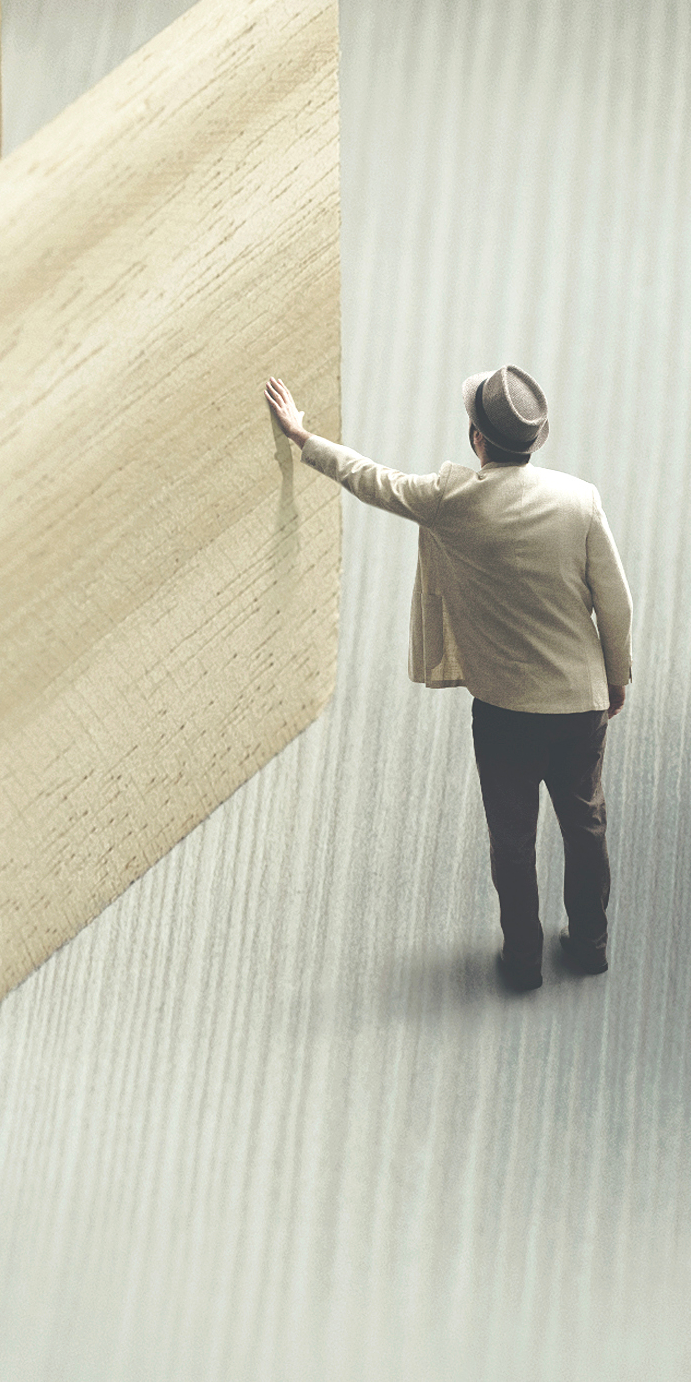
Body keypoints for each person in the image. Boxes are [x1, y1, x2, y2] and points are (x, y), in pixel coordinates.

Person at [261, 363, 636, 995]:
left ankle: (522, 960)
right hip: (579, 703)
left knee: (512, 840)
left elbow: (370, 479)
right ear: (534, 440)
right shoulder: (580, 500)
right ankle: (591, 943)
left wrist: (302, 437)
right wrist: (616, 675)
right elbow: (615, 602)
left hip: (504, 710)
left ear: (477, 439)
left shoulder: (450, 501)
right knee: (586, 824)